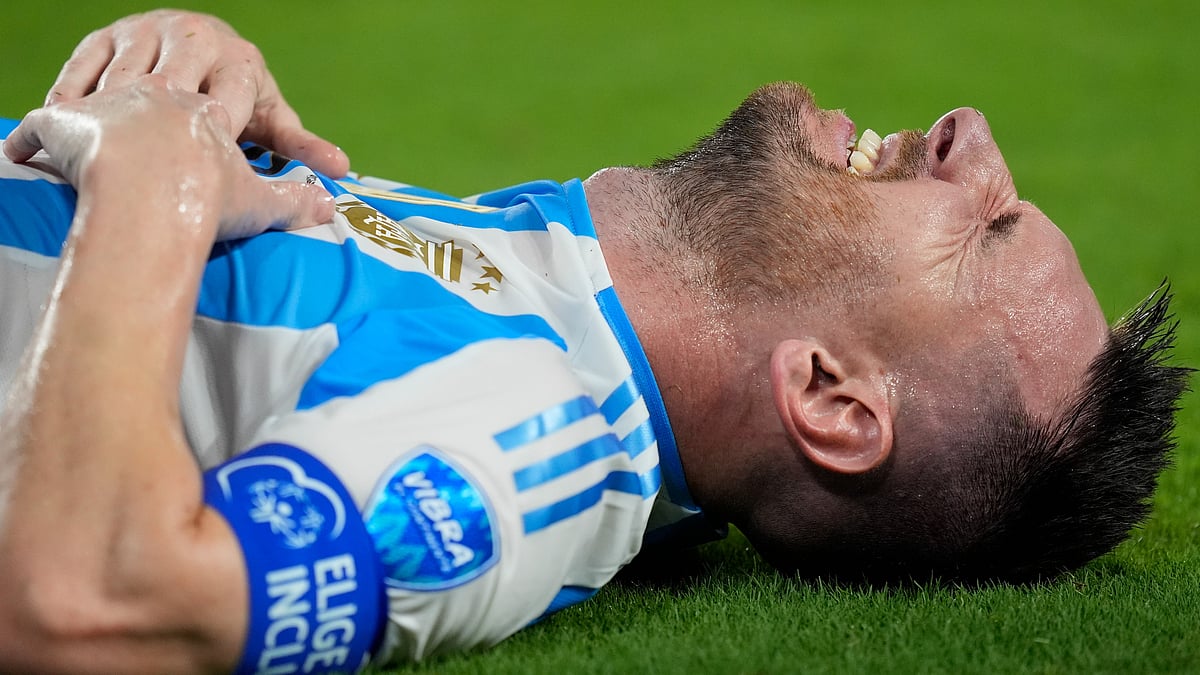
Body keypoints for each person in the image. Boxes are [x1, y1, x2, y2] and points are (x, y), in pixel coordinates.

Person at [0, 9, 1187, 674]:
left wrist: (153, 183)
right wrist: (202, 84)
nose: (971, 136)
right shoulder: (551, 283)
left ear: (833, 399)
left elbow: (88, 605)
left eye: (984, 224)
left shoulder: (531, 442)